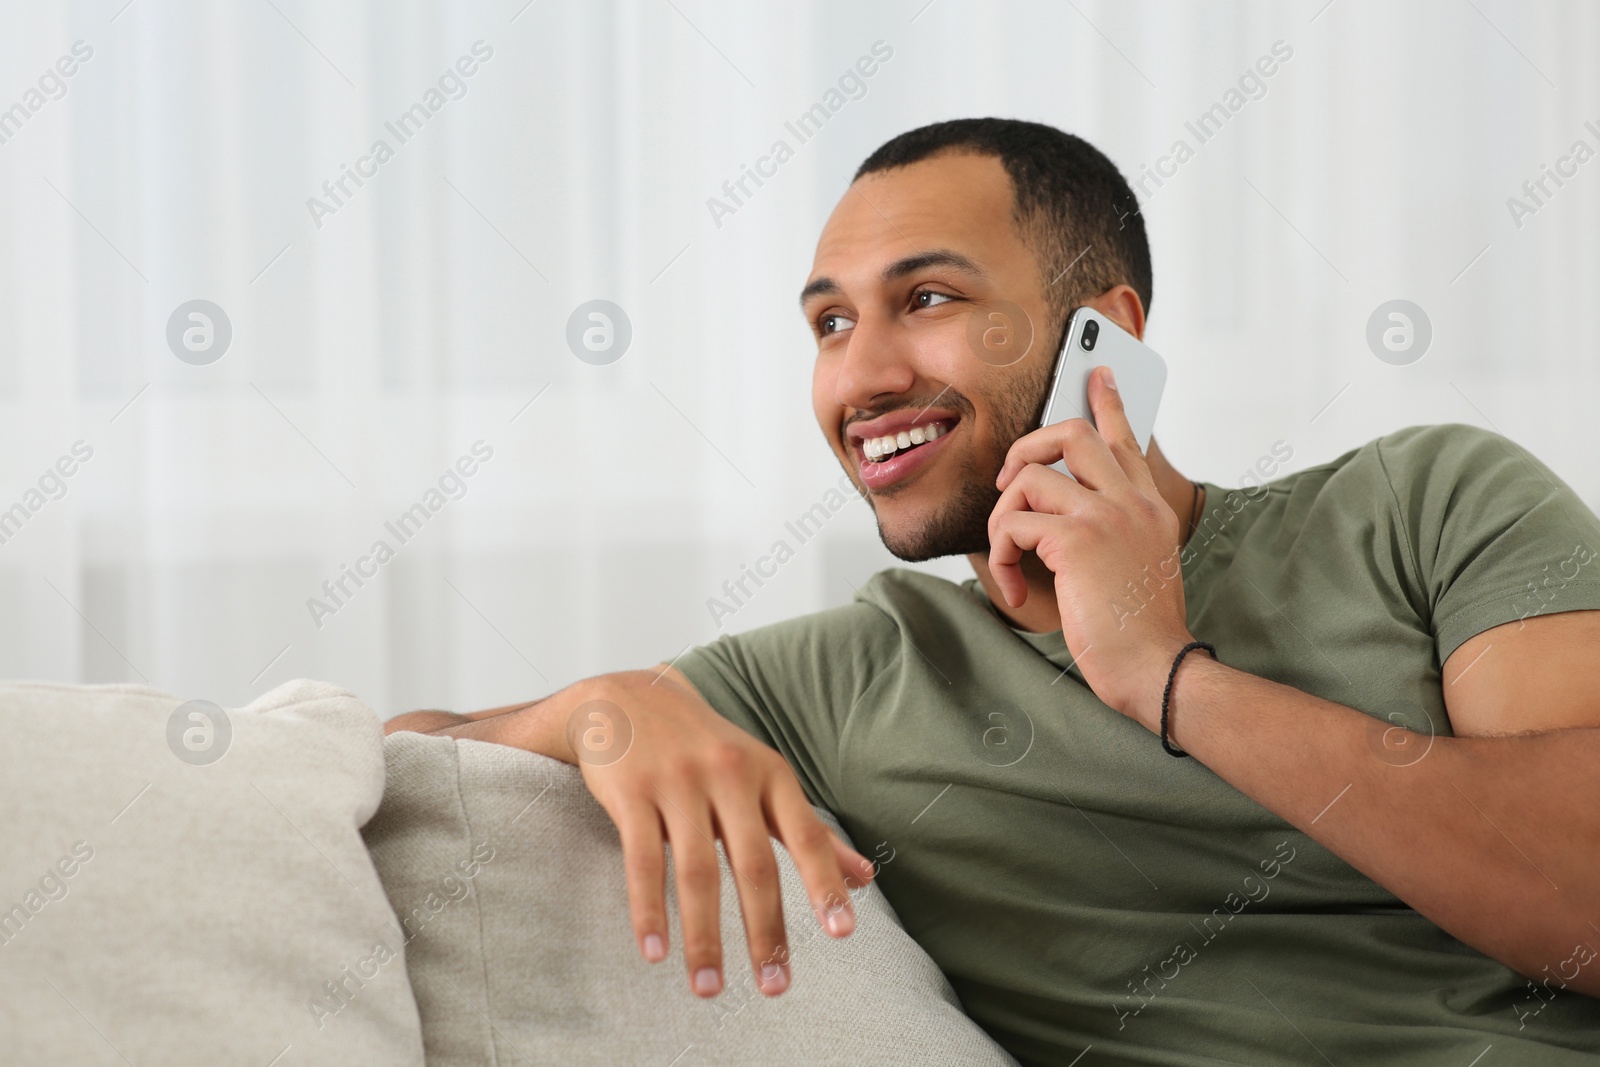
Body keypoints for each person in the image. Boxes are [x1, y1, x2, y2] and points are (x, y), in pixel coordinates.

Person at [386, 118, 1600, 1066]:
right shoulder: (841, 681)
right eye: (826, 323)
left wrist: (1162, 674)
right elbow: (395, 755)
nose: (859, 375)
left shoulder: (1425, 503)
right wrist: (608, 704)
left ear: (1103, 339)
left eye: (927, 300)